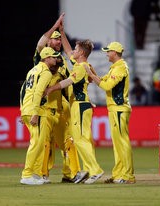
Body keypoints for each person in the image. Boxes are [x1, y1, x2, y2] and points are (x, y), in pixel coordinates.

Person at [45, 22, 104, 184]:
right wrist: (62, 33)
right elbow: (67, 50)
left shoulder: (80, 67)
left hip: (80, 105)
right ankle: (91, 170)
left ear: (82, 53)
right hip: (82, 105)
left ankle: (95, 170)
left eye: (76, 50)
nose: (73, 52)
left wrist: (51, 89)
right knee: (82, 139)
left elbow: (68, 82)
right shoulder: (82, 64)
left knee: (79, 139)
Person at [33, 13, 83, 183]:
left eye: (59, 40)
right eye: (55, 39)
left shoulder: (60, 60)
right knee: (46, 143)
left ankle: (71, 174)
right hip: (45, 109)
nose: (58, 42)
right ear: (49, 42)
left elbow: (69, 82)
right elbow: (40, 43)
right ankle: (43, 174)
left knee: (68, 141)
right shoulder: (42, 57)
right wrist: (55, 27)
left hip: (60, 109)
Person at [84, 41, 136, 184]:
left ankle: (127, 176)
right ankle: (119, 174)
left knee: (122, 143)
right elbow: (102, 80)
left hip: (119, 109)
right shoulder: (115, 67)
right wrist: (92, 71)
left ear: (115, 52)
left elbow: (106, 86)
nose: (106, 54)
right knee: (118, 144)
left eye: (108, 51)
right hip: (115, 109)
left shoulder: (120, 68)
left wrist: (90, 74)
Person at [20, 47, 60, 185]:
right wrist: (35, 112)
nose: (56, 59)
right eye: (54, 57)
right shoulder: (46, 72)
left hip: (27, 108)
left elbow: (23, 90)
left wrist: (23, 110)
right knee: (36, 142)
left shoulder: (32, 70)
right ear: (47, 58)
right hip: (36, 110)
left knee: (40, 142)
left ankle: (36, 174)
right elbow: (38, 93)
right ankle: (27, 175)